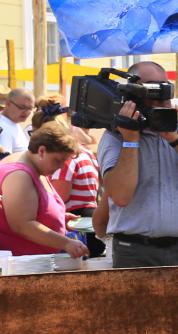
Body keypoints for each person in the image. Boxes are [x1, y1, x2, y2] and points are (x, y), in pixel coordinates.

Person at [98, 61, 178, 268]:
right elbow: (120, 195)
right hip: (135, 251)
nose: (161, 94)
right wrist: (131, 139)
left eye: (164, 86)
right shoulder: (114, 137)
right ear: (132, 92)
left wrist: (174, 138)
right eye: (152, 87)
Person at [0, 123, 87, 257]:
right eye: (58, 160)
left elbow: (31, 208)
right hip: (24, 267)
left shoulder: (37, 168)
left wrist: (57, 217)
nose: (61, 166)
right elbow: (22, 225)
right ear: (41, 151)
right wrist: (66, 243)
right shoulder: (20, 175)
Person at [36, 101, 104, 257]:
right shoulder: (84, 151)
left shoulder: (65, 157)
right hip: (89, 219)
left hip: (76, 224)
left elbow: (60, 196)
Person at [0, 87, 33, 157]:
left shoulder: (12, 122)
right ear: (8, 104)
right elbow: (4, 162)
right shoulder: (3, 127)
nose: (26, 112)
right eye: (22, 107)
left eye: (30, 108)